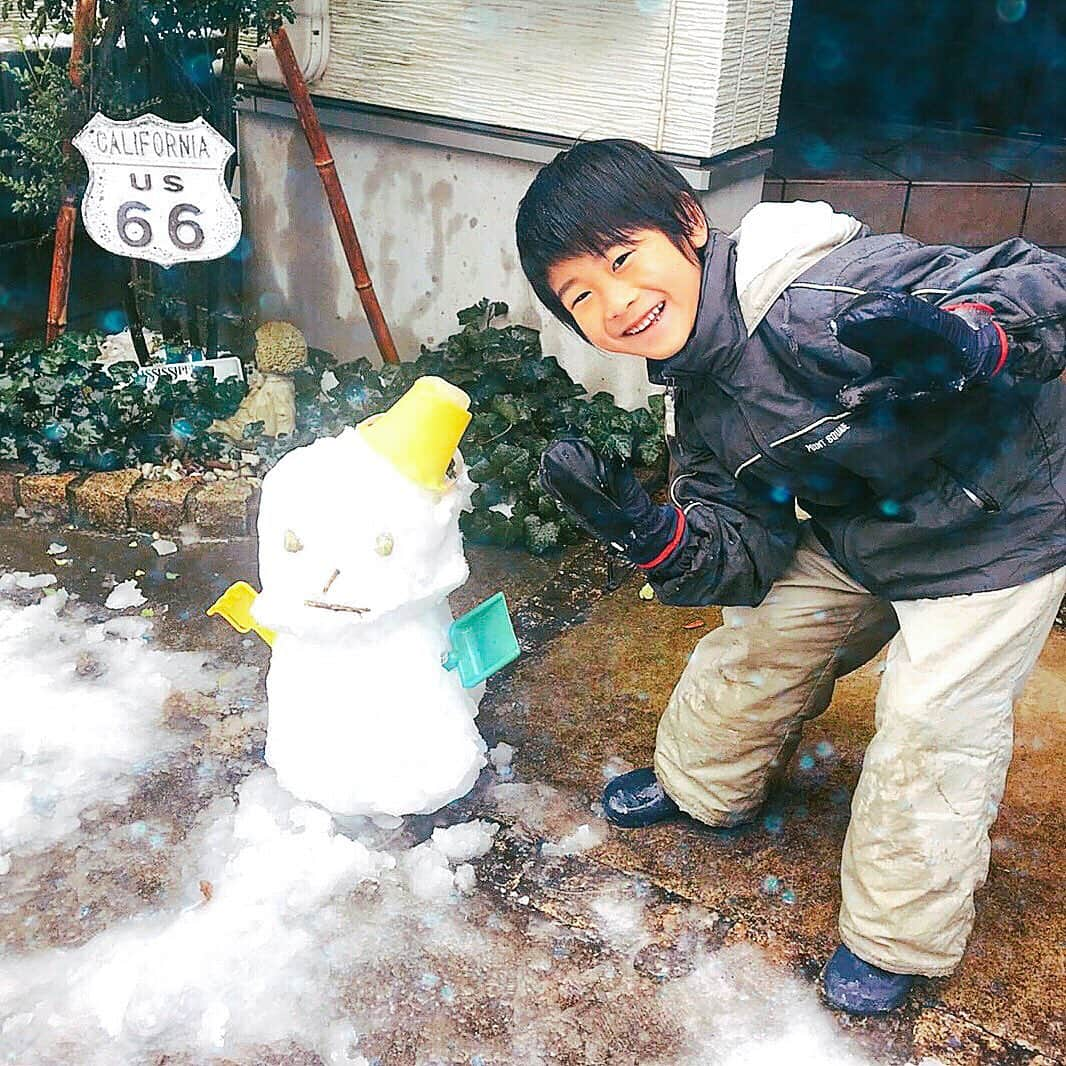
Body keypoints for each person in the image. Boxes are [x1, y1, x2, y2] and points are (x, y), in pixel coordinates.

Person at [514, 138, 1066, 1015]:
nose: (616, 301)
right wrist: (648, 529)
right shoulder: (701, 396)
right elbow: (741, 552)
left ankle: (896, 937)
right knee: (763, 638)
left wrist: (972, 337)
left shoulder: (820, 288)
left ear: (689, 225)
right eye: (582, 294)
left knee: (931, 724)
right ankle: (704, 785)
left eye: (624, 260)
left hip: (999, 526)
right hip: (870, 528)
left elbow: (1041, 278)